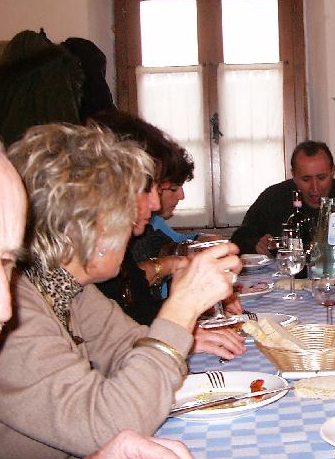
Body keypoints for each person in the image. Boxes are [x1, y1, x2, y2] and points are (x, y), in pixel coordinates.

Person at [0, 123, 241, 459]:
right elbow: (112, 423)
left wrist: (181, 336)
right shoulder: (8, 310)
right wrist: (182, 310)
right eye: (125, 212)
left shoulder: (69, 289)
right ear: (86, 227)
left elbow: (130, 348)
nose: (138, 222)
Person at [88, 111, 235, 328]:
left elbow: (135, 324)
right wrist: (186, 305)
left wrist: (195, 313)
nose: (155, 204)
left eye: (157, 188)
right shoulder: (63, 283)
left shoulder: (110, 258)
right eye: (147, 187)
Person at [231, 140, 335, 254]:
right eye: (306, 179)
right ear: (293, 175)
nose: (315, 188)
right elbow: (238, 240)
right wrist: (257, 244)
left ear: (332, 171)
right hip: (287, 278)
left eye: (321, 178)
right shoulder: (273, 198)